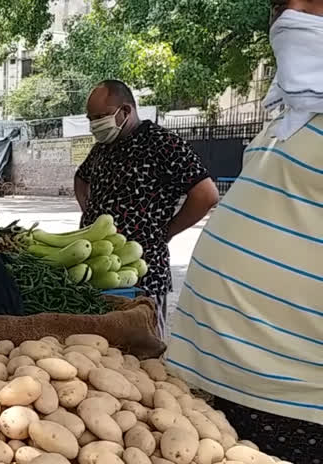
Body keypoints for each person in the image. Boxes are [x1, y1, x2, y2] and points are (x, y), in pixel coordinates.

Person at [165, 0, 323, 464]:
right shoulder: (291, 113)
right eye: (281, 3)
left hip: (292, 409)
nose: (289, 14)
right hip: (213, 394)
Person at [74, 81, 219, 338]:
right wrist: (89, 217)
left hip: (143, 271)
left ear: (126, 111)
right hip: (98, 268)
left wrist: (167, 232)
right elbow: (81, 178)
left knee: (144, 349)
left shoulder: (162, 144)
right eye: (91, 118)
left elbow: (206, 194)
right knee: (98, 348)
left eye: (101, 116)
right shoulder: (103, 148)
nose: (95, 124)